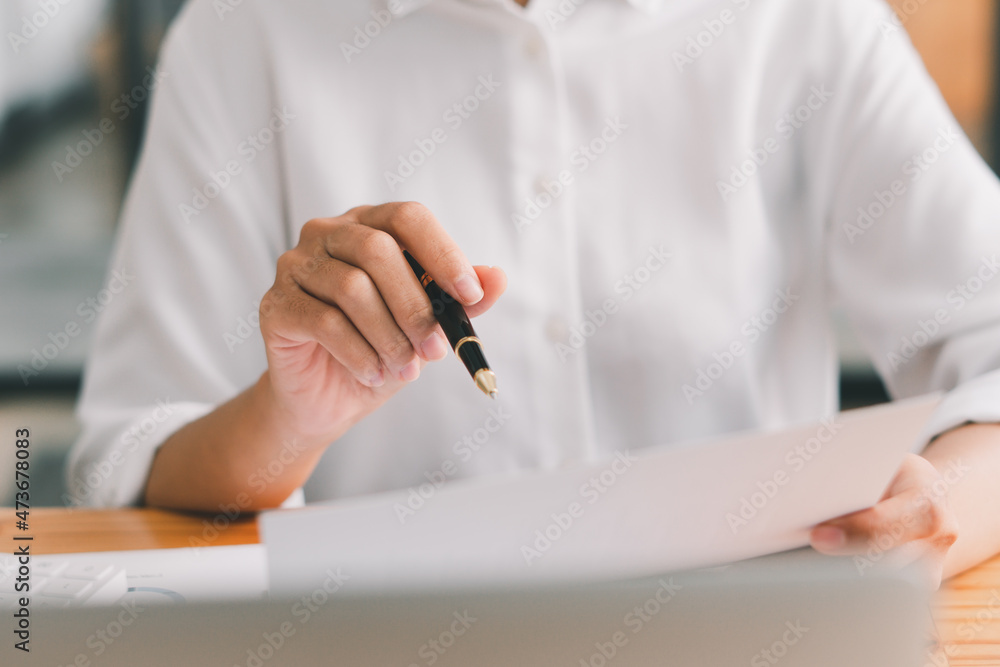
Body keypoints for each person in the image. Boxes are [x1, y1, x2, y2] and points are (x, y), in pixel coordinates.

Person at [68, 0, 1000, 587]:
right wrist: (291, 418)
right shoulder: (243, 33)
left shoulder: (804, 21)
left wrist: (930, 517)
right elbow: (130, 462)